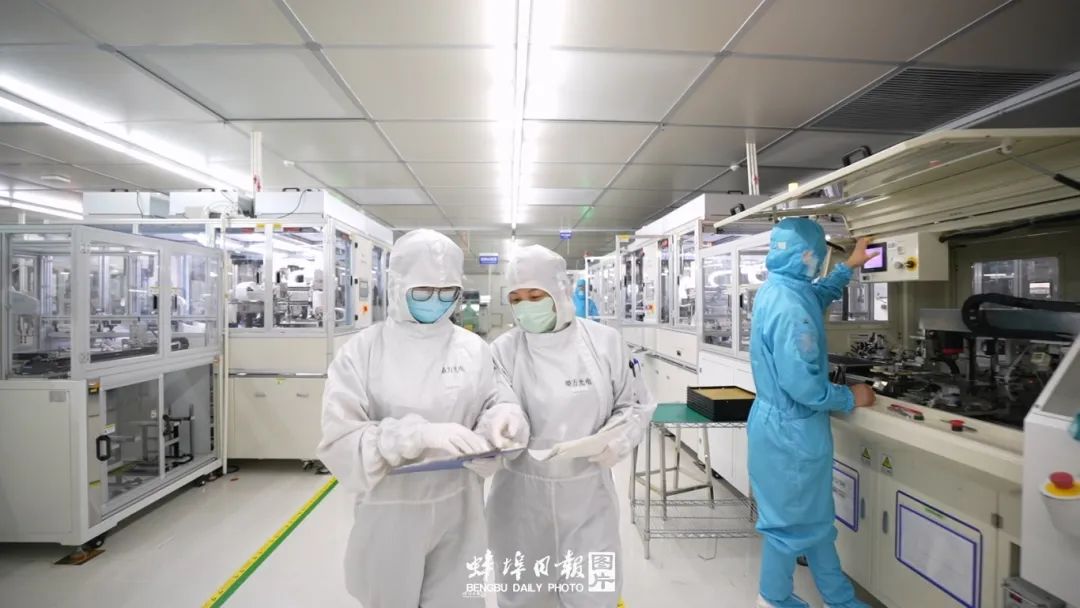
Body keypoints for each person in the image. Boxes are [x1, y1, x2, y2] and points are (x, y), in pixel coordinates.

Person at [318, 229, 529, 607]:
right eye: (424, 291)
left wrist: (504, 417)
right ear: (398, 286)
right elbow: (339, 440)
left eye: (447, 292)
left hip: (461, 510)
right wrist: (412, 437)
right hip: (389, 513)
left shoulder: (473, 349)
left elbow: (495, 399)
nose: (436, 301)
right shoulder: (362, 351)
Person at [486, 245, 656, 608]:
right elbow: (498, 403)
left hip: (588, 496)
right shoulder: (503, 350)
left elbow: (634, 404)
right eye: (516, 299)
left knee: (594, 593)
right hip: (519, 498)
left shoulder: (604, 343)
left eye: (535, 296)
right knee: (523, 595)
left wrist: (619, 439)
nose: (525, 306)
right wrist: (503, 425)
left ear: (559, 292)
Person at [748, 218, 879, 608]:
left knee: (814, 521)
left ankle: (839, 599)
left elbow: (815, 295)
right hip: (792, 432)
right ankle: (773, 599)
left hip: (782, 426)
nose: (819, 263)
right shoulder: (791, 308)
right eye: (820, 257)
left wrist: (848, 266)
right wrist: (850, 396)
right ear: (808, 256)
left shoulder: (780, 288)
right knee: (788, 526)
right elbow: (803, 387)